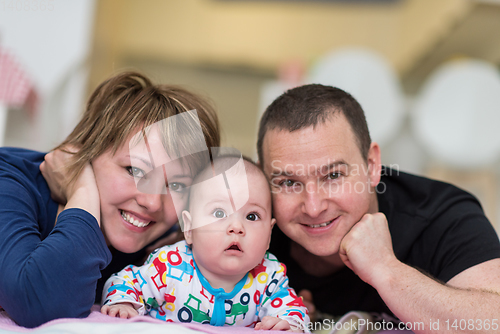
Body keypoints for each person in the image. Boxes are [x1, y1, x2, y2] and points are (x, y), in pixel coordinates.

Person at [257, 84, 500, 331]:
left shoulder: (443, 216)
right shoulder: (249, 227)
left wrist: (386, 270)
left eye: (333, 176)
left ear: (372, 165)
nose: (313, 207)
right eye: (288, 182)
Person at [0, 71, 220, 328]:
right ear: (86, 150)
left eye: (178, 185)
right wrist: (82, 189)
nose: (153, 202)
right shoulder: (10, 182)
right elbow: (39, 303)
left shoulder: (166, 243)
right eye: (135, 171)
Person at [101, 156, 309, 332]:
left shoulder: (269, 276)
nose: (236, 227)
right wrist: (123, 303)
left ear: (269, 236)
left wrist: (289, 324)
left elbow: (291, 307)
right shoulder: (169, 267)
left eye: (252, 216)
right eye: (219, 213)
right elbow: (127, 280)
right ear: (189, 229)